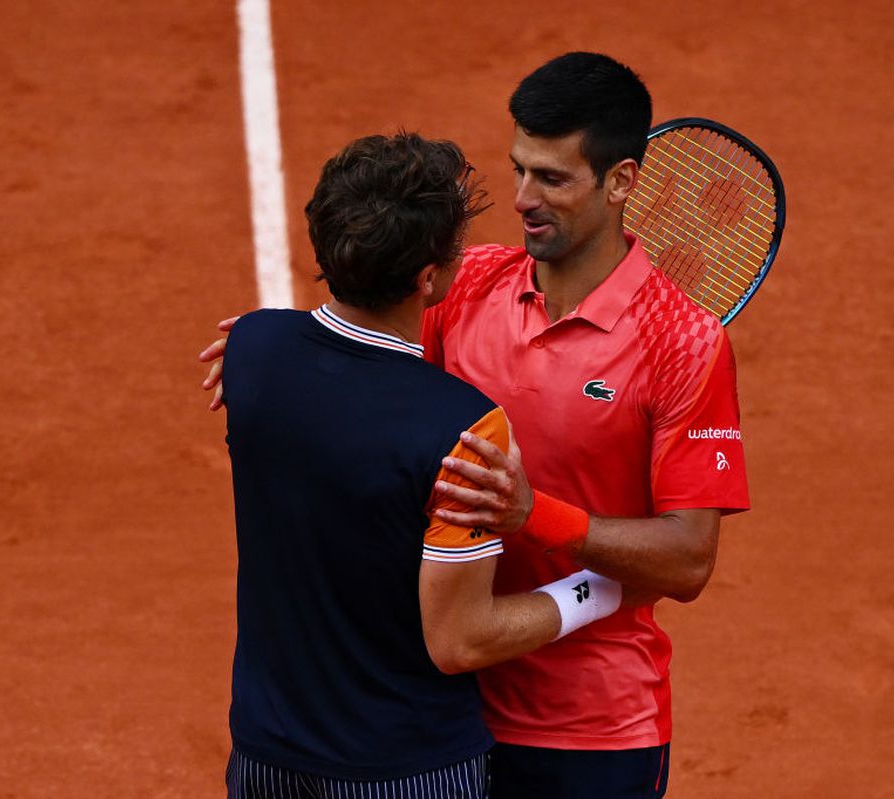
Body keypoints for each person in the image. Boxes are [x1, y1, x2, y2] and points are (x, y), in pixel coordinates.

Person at [203, 53, 750, 799]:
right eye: (519, 168)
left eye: (552, 179)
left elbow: (688, 559)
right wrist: (283, 346)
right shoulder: (475, 284)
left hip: (585, 725)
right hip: (439, 705)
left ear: (620, 182)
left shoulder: (682, 343)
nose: (523, 197)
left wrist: (539, 516)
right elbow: (372, 350)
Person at [220, 131, 623, 799]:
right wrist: (598, 591)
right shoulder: (463, 427)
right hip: (405, 770)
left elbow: (298, 353)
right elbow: (459, 640)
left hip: (267, 758)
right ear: (429, 279)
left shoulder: (252, 349)